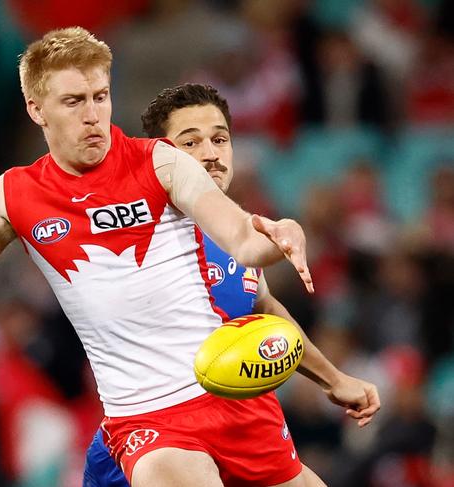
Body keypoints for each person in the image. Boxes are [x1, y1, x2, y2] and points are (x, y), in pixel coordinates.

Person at [0, 27, 342, 486]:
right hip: (149, 422)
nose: (93, 116)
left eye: (101, 97)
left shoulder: (161, 163)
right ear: (36, 108)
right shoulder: (18, 196)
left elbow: (242, 239)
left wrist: (282, 234)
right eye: (74, 101)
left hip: (238, 404)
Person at [83, 83, 382, 487]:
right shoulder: (135, 234)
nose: (210, 153)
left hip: (238, 423)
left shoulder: (235, 233)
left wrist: (335, 379)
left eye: (220, 139)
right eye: (190, 142)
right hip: (152, 440)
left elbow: (261, 306)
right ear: (159, 155)